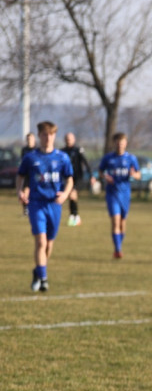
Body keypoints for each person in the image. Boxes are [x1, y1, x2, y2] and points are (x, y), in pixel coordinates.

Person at [17, 121, 74, 292]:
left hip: (54, 205)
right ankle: (43, 279)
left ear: (55, 136)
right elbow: (20, 176)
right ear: (39, 136)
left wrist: (65, 194)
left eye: (51, 134)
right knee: (40, 241)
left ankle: (38, 270)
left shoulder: (62, 158)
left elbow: (70, 179)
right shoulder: (30, 158)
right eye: (44, 134)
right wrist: (20, 191)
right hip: (36, 204)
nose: (47, 138)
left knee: (49, 244)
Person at [97, 132, 141, 259]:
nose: (120, 146)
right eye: (117, 143)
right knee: (115, 221)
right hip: (112, 194)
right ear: (114, 143)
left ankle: (119, 245)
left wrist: (133, 175)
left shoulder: (131, 159)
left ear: (125, 143)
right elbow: (100, 172)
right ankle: (117, 250)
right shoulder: (108, 158)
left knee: (122, 223)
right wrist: (105, 177)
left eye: (122, 143)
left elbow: (139, 175)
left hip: (125, 194)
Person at [62, 132, 94, 226]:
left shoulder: (78, 150)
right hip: (68, 178)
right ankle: (74, 216)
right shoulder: (62, 152)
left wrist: (91, 175)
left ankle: (75, 216)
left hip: (78, 177)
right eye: (67, 139)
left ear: (74, 139)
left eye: (70, 139)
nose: (69, 141)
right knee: (71, 197)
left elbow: (85, 162)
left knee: (72, 195)